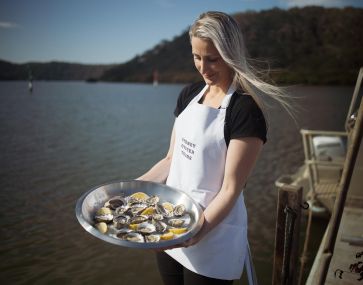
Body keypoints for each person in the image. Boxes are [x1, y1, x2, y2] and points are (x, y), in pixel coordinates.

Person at [137, 11, 291, 285]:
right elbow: (171, 159)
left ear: (231, 54)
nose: (203, 67)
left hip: (213, 235)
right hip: (170, 224)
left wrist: (198, 230)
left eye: (212, 59)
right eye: (197, 57)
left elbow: (231, 189)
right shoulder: (189, 95)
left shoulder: (245, 109)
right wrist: (132, 188)